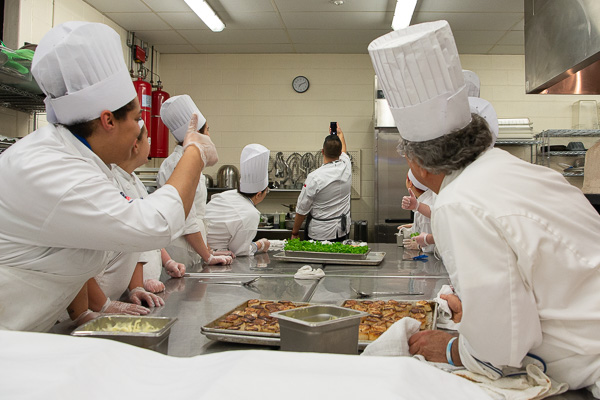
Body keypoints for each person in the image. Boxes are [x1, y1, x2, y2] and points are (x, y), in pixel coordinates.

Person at [369, 20, 600, 394]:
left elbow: (502, 345)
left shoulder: (458, 203)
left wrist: (451, 347)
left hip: (586, 365)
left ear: (419, 164)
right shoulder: (509, 169)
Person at [0, 21, 218, 332]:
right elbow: (153, 226)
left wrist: (90, 311)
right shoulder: (53, 168)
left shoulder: (82, 161)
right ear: (108, 121)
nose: (140, 131)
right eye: (137, 119)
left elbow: (66, 254)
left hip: (24, 330)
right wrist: (193, 150)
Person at [157, 95, 233, 267]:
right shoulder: (176, 164)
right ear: (199, 133)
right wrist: (208, 256)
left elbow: (198, 215)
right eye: (208, 130)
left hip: (193, 246)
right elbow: (187, 220)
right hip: (180, 247)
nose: (209, 135)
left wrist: (208, 251)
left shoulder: (193, 164)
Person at [205, 144, 271, 256]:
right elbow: (240, 251)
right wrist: (260, 244)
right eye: (267, 191)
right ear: (258, 194)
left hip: (197, 251)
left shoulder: (226, 195)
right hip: (216, 257)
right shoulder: (251, 214)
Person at [291, 123, 352, 242]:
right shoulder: (346, 166)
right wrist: (340, 134)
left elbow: (302, 209)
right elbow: (344, 149)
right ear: (340, 153)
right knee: (339, 259)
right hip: (342, 231)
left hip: (319, 234)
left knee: (317, 260)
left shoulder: (314, 177)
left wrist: (295, 232)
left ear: (322, 152)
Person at [399, 169, 436, 252]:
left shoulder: (424, 207)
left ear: (410, 183)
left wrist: (419, 246)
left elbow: (430, 247)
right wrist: (412, 226)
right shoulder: (427, 199)